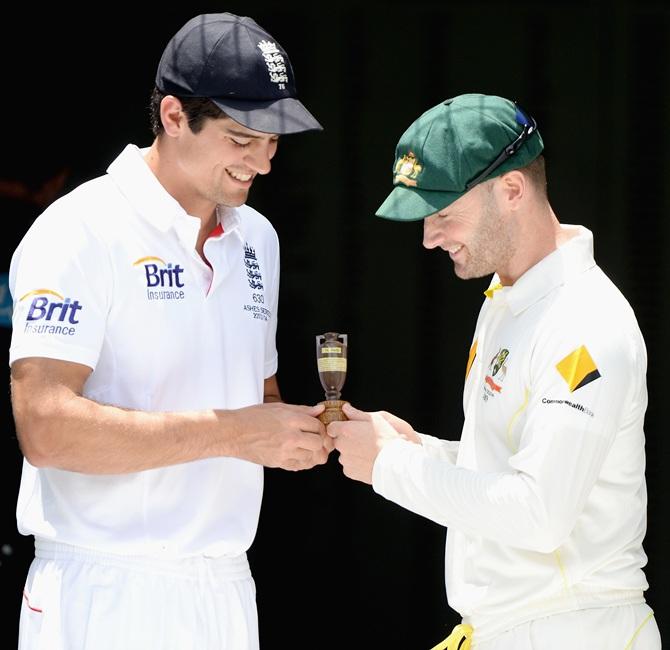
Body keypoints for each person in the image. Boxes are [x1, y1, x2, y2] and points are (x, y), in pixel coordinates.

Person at [9, 12, 331, 650]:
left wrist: (302, 433)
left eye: (274, 141)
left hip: (226, 589)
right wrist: (237, 432)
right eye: (243, 139)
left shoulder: (256, 238)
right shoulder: (79, 228)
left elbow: (255, 401)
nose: (262, 164)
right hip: (101, 591)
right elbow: (44, 428)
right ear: (175, 115)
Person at [328, 93, 661, 649]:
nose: (429, 238)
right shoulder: (507, 300)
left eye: (442, 213)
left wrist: (392, 467)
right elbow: (514, 471)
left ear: (511, 190)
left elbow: (539, 515)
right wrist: (419, 449)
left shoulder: (584, 321)